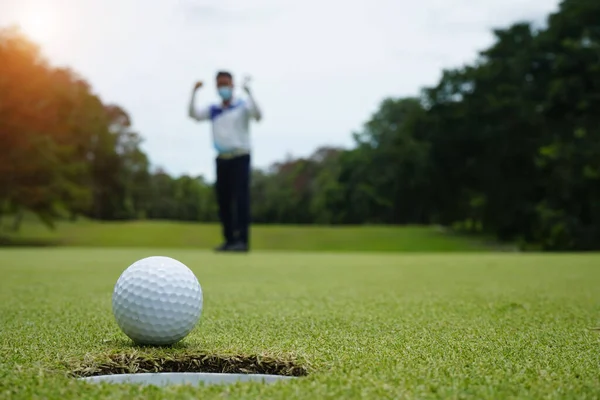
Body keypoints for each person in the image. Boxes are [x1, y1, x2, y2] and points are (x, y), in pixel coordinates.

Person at [188, 71, 262, 252]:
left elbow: (258, 115)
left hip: (241, 156)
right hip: (222, 159)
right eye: (219, 84)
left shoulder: (243, 105)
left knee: (241, 200)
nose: (223, 87)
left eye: (225, 83)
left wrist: (249, 92)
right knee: (224, 201)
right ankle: (229, 240)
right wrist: (194, 92)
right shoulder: (214, 109)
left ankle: (242, 241)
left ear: (232, 85)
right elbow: (193, 115)